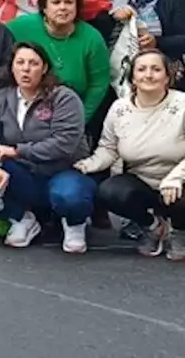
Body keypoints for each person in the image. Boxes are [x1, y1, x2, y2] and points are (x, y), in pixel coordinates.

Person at [75, 50, 185, 259]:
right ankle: (152, 226)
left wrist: (176, 177)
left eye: (156, 69)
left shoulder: (183, 104)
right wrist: (88, 164)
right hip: (143, 181)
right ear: (132, 77)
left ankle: (180, 230)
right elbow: (109, 148)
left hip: (179, 181)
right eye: (141, 69)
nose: (149, 75)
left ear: (167, 76)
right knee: (109, 191)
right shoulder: (119, 108)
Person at [0, 43, 94, 253]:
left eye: (33, 63)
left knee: (70, 196)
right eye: (20, 63)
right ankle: (22, 218)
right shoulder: (2, 98)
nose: (26, 69)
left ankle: (75, 223)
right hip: (24, 173)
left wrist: (18, 150)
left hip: (63, 170)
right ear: (12, 68)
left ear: (44, 68)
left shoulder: (63, 97)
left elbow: (64, 143)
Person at [7, 0, 110, 125]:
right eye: (56, 2)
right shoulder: (20, 27)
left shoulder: (92, 37)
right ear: (44, 7)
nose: (63, 8)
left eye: (69, 2)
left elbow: (99, 84)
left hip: (72, 115)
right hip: (24, 115)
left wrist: (80, 119)